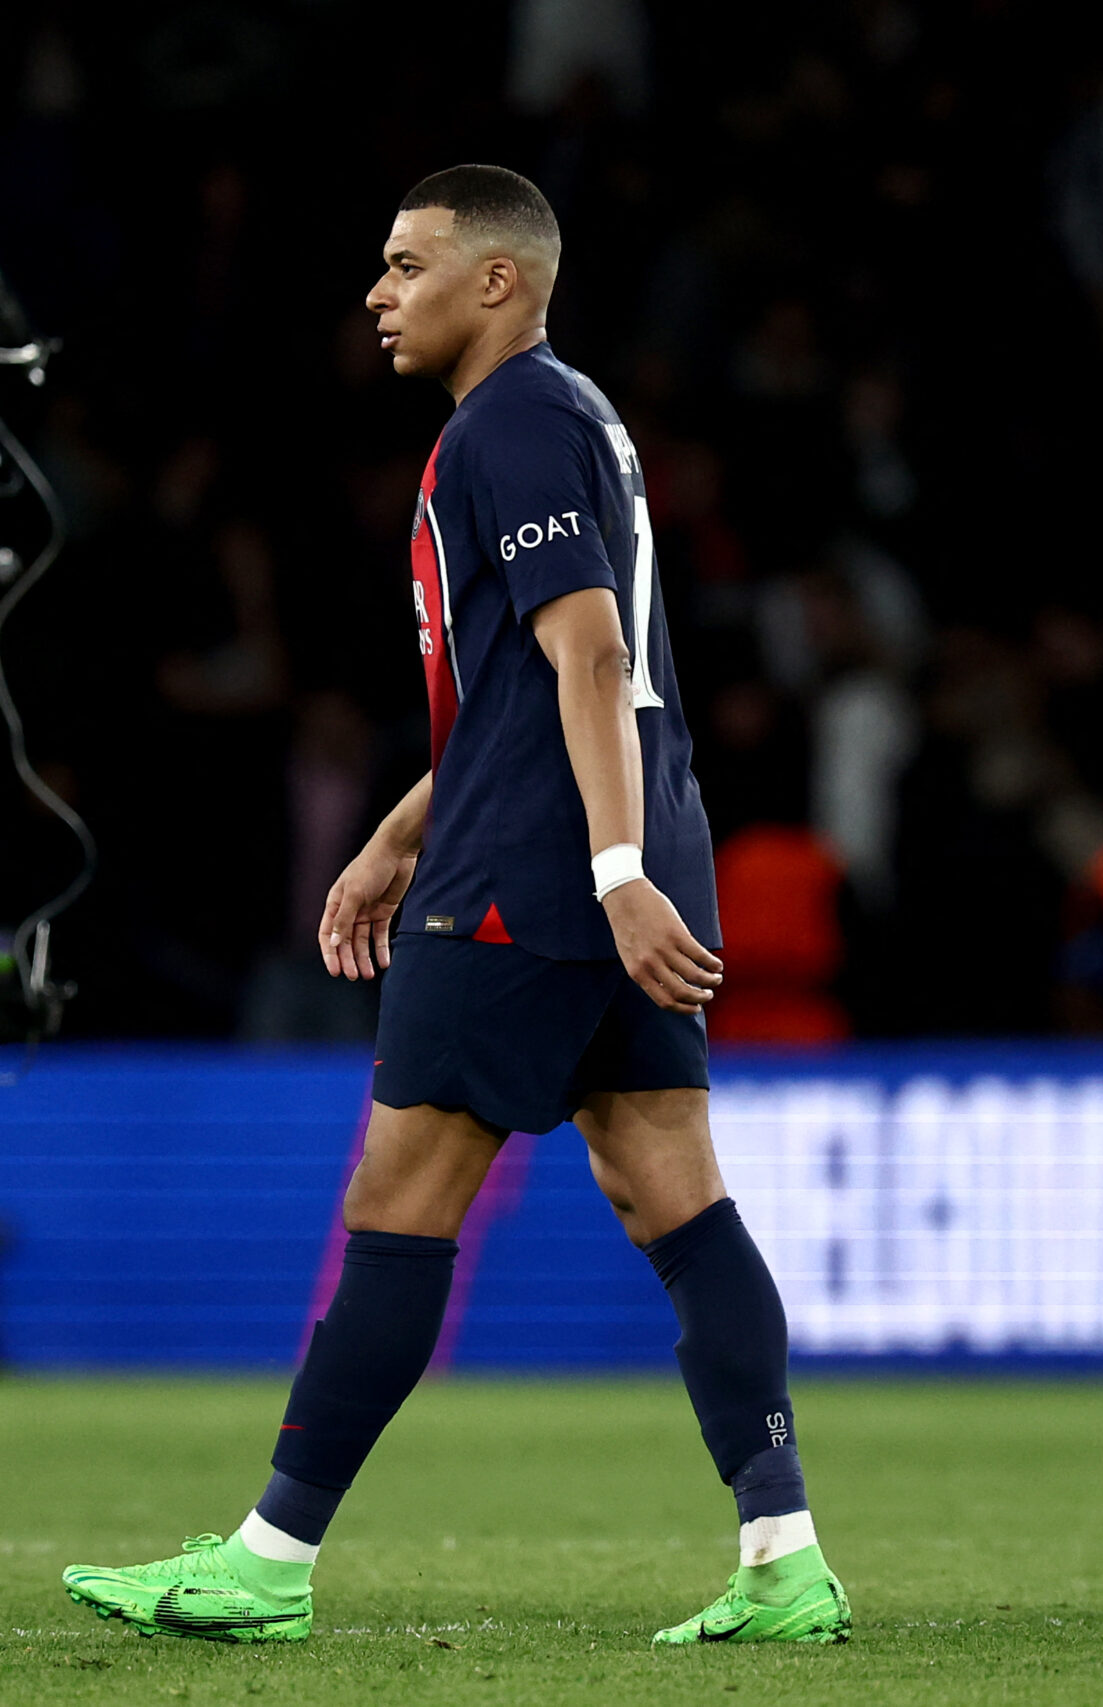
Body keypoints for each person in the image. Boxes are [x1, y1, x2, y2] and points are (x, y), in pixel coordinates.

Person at [61, 166, 848, 1648]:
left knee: (397, 1202)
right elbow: (525, 696)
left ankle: (269, 1562)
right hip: (607, 848)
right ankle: (784, 1558)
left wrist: (603, 879)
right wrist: (400, 833)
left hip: (539, 882)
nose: (379, 292)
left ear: (499, 281)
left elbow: (592, 659)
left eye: (407, 263)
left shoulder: (513, 425)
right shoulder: (572, 417)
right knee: (671, 1190)